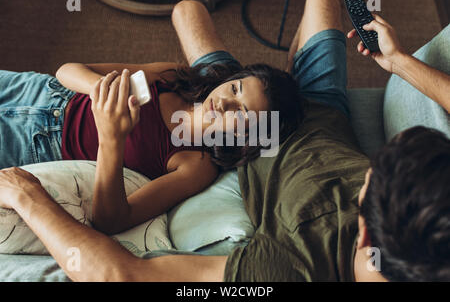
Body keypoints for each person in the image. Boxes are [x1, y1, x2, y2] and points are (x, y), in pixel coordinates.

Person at [0, 0, 449, 282]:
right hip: (323, 118)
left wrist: (28, 197)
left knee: (195, 22)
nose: (362, 173)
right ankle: (279, 79)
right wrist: (399, 61)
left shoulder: (289, 268)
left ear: (367, 234)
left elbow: (123, 275)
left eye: (368, 180)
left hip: (258, 133)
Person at [0, 17, 303, 235]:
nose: (224, 103)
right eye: (235, 89)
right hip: (38, 90)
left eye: (241, 113)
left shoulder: (195, 163)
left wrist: (111, 138)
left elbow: (112, 220)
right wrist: (104, 94)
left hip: (35, 145)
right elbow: (66, 70)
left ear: (247, 138)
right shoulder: (174, 78)